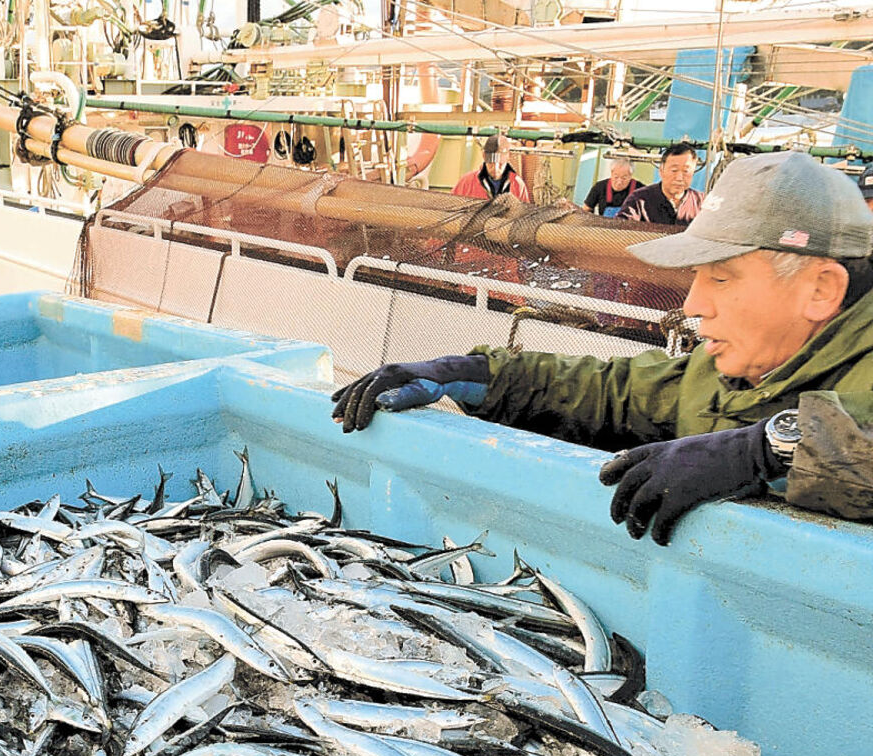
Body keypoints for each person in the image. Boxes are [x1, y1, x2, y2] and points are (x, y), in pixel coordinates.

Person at [331, 151, 873, 543]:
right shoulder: (723, 369)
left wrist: (766, 449)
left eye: (723, 278)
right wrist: (472, 371)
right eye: (698, 276)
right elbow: (612, 391)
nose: (692, 304)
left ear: (821, 290)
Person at [617, 143, 703, 227]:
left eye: (686, 171)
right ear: (661, 171)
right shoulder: (639, 200)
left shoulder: (702, 203)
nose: (679, 178)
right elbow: (619, 232)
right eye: (674, 170)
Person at [452, 134, 531, 202]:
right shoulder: (466, 182)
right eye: (491, 164)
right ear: (484, 156)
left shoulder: (518, 185)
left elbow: (524, 216)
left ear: (508, 156)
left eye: (500, 164)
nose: (495, 169)